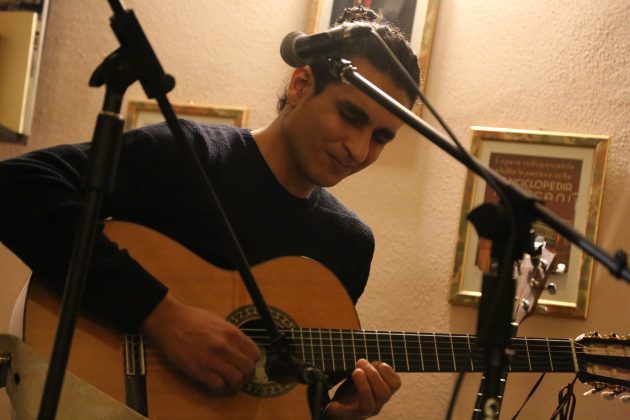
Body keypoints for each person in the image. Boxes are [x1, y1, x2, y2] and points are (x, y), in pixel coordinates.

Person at [0, 6, 420, 419]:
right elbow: (16, 185)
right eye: (350, 116)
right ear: (301, 85)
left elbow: (283, 400)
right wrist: (160, 315)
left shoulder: (348, 245)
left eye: (380, 138)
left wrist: (334, 416)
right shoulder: (187, 156)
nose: (358, 149)